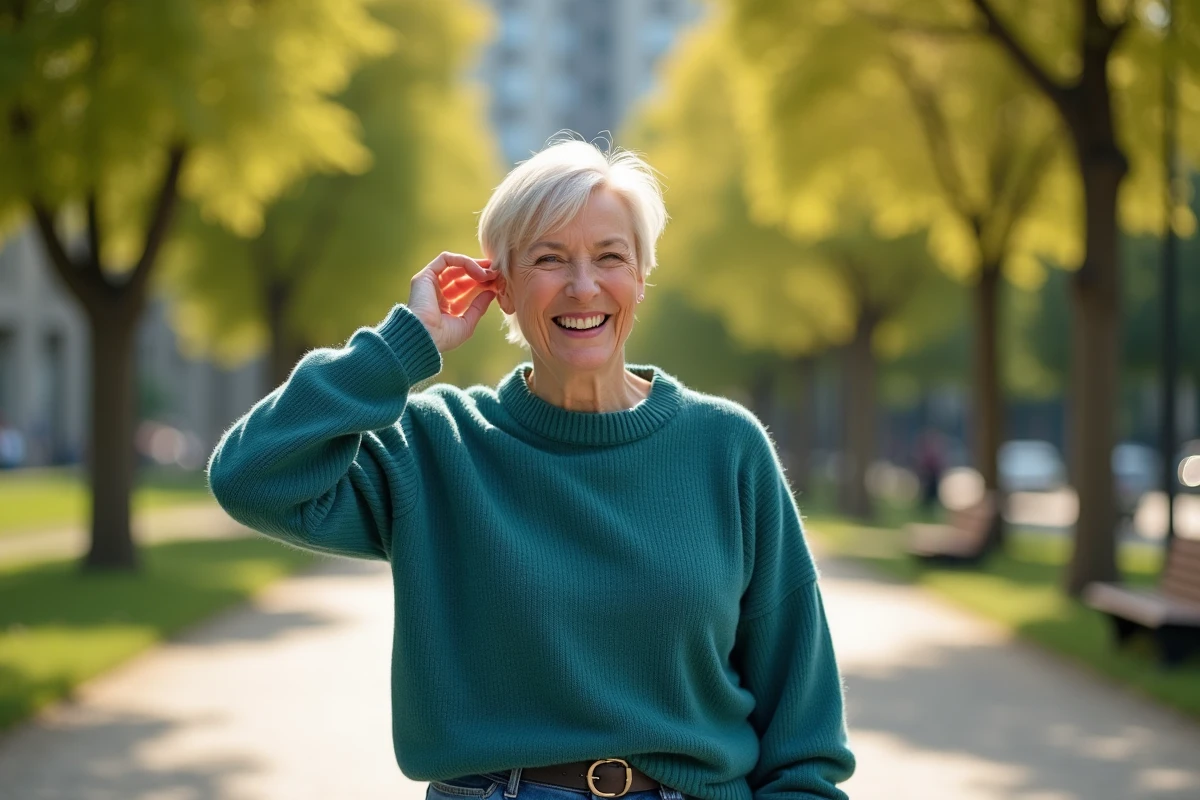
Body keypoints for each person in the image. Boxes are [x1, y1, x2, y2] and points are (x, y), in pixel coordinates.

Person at [207, 137, 855, 800]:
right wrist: (402, 347)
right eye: (550, 259)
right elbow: (251, 476)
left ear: (640, 278)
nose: (583, 286)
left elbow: (803, 733)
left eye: (611, 258)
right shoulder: (436, 446)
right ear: (503, 286)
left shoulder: (727, 448)